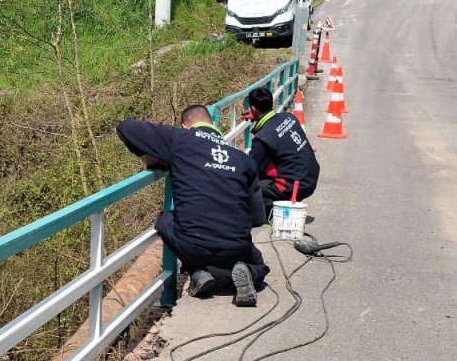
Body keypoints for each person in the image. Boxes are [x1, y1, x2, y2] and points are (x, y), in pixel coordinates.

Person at [116, 106, 269, 307]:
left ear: (184, 126)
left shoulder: (179, 139)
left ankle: (197, 271)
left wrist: (152, 158)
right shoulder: (243, 159)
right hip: (235, 247)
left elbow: (126, 127)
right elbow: (258, 218)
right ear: (213, 125)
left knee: (166, 220)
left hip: (192, 245)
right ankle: (248, 272)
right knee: (259, 263)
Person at [245, 87, 320, 215]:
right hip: (311, 176)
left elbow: (252, 171)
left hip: (296, 186)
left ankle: (271, 209)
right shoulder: (288, 117)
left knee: (249, 186)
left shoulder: (263, 139)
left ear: (253, 109)